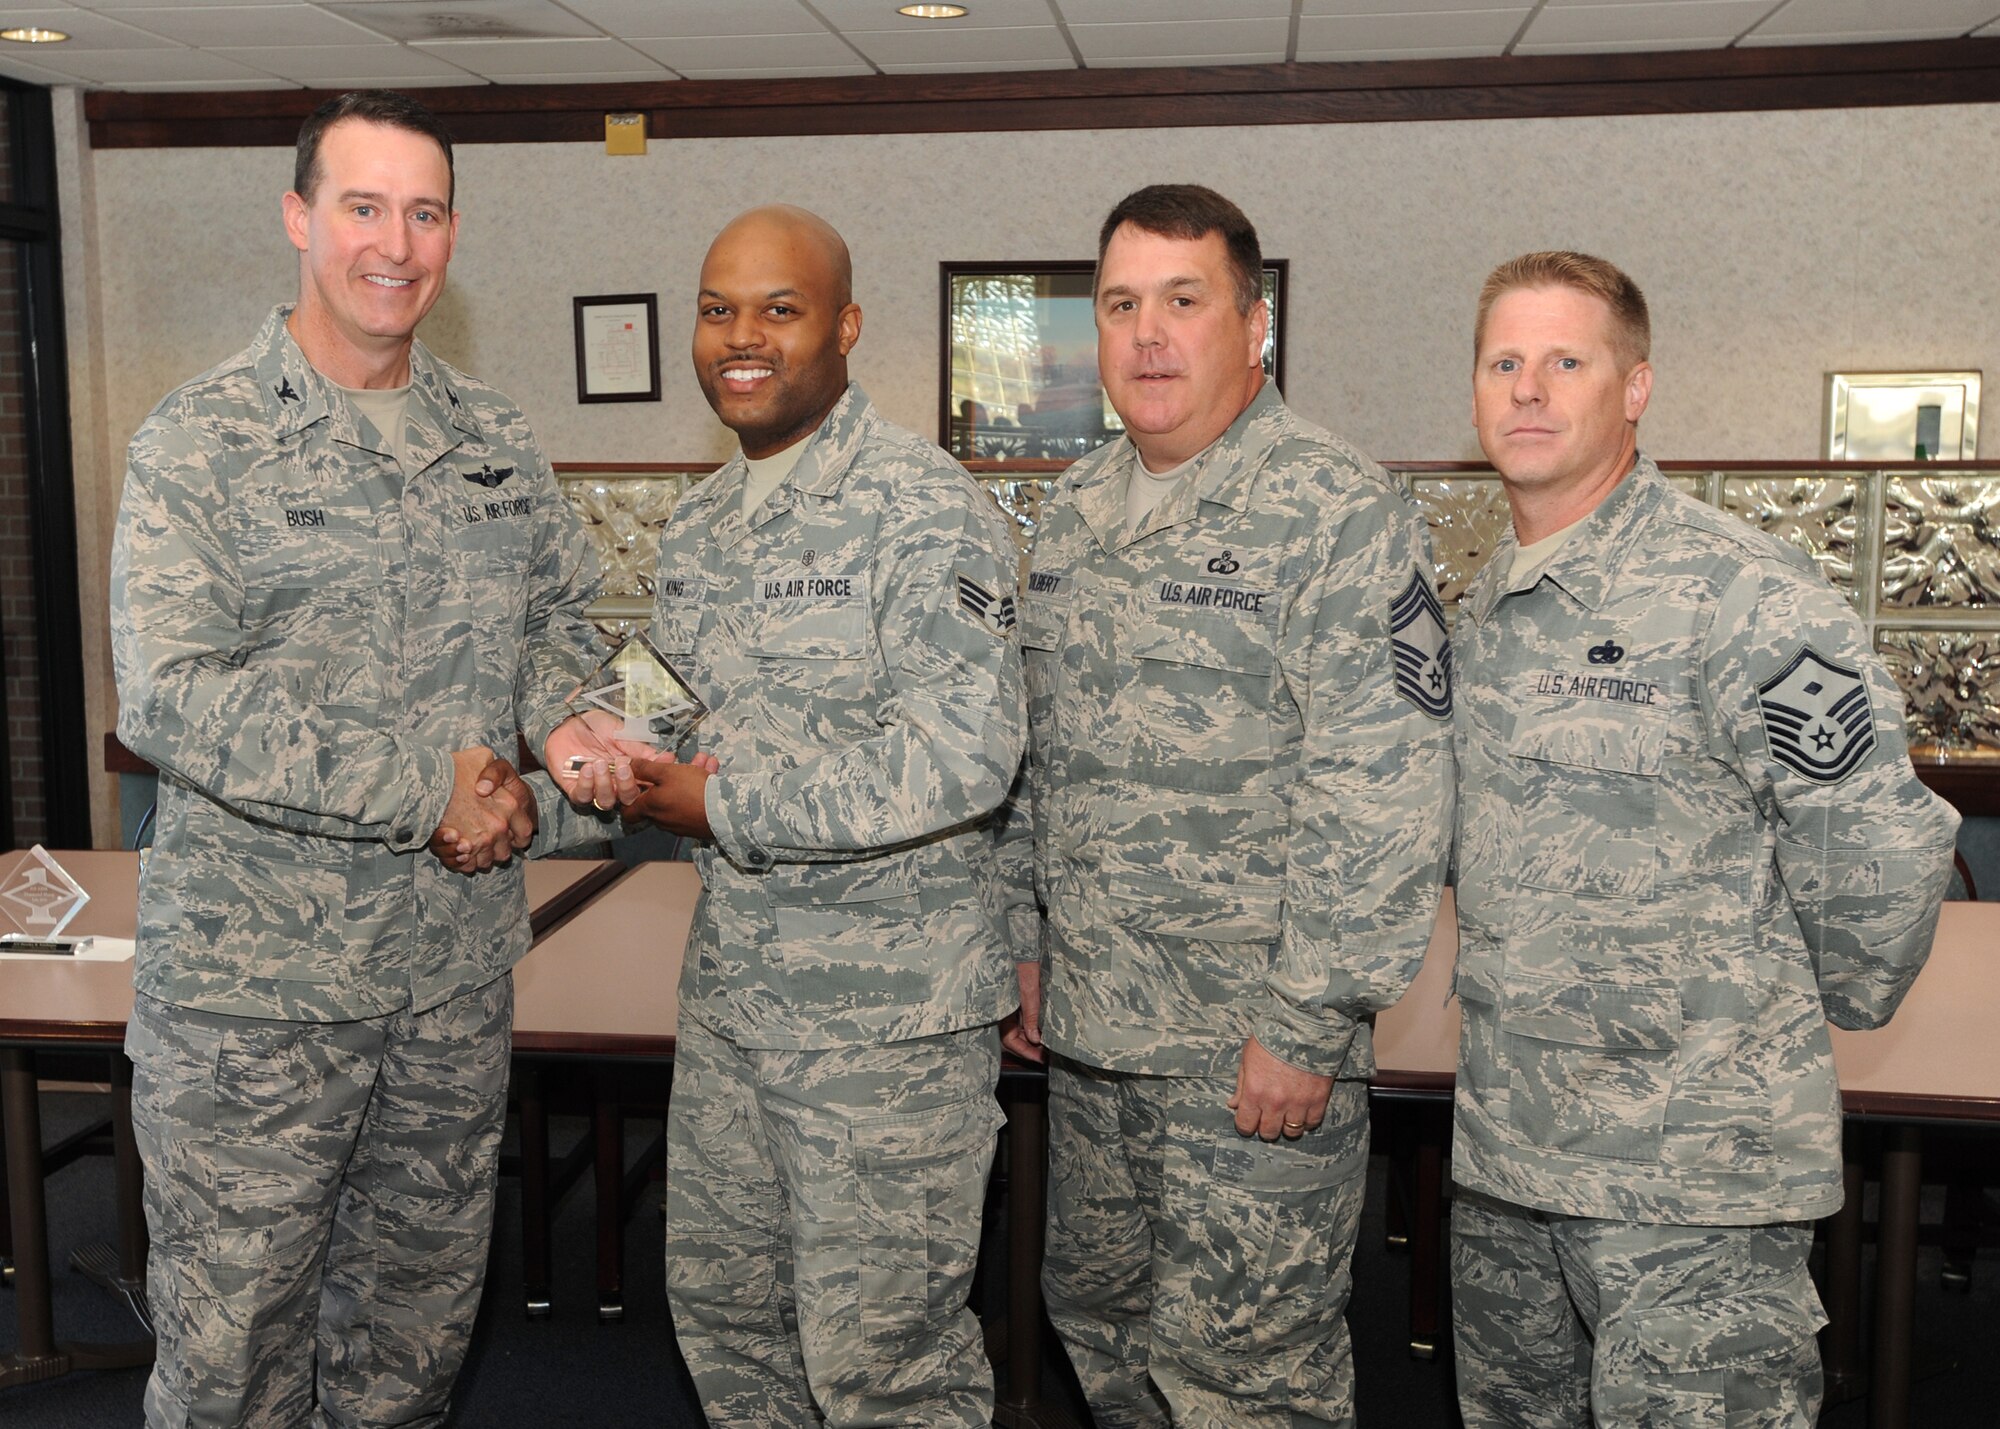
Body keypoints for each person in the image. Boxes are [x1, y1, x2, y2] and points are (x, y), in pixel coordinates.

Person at [110, 90, 617, 1427]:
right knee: (233, 1364)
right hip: (253, 1006)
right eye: (363, 207)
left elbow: (562, 616)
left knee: (410, 1346)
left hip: (448, 988)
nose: (395, 243)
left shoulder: (492, 441)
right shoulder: (200, 442)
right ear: (298, 218)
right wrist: (422, 789)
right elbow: (172, 695)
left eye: (426, 211)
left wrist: (563, 719)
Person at [1447, 250, 1961, 1427]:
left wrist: (1786, 1026)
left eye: (1563, 360)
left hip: (1688, 1178)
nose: (1527, 389)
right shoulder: (1490, 602)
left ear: (1632, 388)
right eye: (1502, 362)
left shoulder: (1737, 592)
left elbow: (1874, 839)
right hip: (1509, 1152)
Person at [1007, 183, 1453, 1428]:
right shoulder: (1072, 515)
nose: (1148, 334)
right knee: (1100, 1330)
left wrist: (1309, 1022)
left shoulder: (1336, 508)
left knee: (1247, 1379)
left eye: (1183, 302)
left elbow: (1383, 785)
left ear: (1252, 325)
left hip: (1246, 1051)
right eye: (1119, 305)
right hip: (1094, 1035)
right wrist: (1026, 944)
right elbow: (1031, 761)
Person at [600, 204, 1025, 1427]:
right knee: (733, 1330)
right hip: (736, 1004)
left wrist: (721, 802)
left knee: (885, 1364)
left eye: (778, 310)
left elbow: (964, 755)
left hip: (883, 1031)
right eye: (718, 308)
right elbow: (660, 703)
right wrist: (571, 758)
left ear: (841, 328)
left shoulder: (923, 510)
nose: (743, 336)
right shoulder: (701, 523)